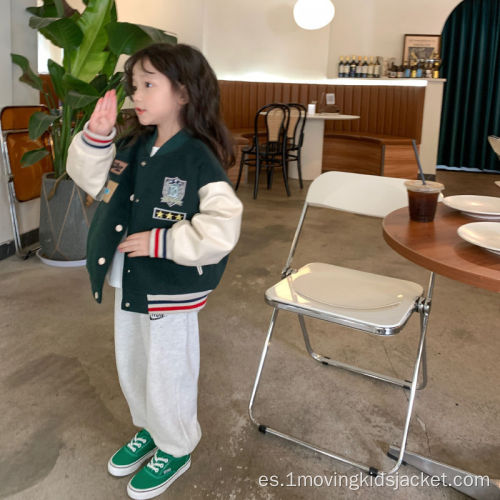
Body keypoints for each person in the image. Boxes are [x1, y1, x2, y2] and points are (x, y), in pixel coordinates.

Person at [66, 43, 243, 499]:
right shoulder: (135, 143)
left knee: (168, 369)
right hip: (130, 281)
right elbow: (95, 181)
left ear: (183, 93)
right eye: (133, 85)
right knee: (134, 363)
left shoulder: (197, 157)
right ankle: (149, 427)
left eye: (148, 85)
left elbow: (223, 226)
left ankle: (176, 444)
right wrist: (97, 135)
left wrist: (163, 242)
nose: (135, 95)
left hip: (170, 287)